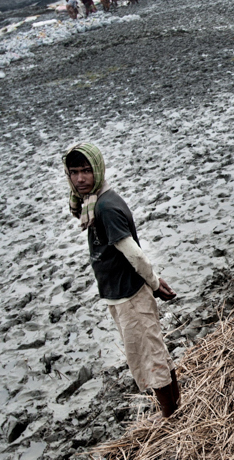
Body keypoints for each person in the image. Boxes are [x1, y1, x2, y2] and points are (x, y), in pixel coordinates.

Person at [62, 142, 182, 418]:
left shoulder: (106, 208)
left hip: (130, 294)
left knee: (150, 355)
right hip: (118, 292)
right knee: (151, 350)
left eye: (85, 171)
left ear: (98, 170)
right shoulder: (93, 204)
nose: (80, 179)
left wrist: (153, 282)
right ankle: (176, 410)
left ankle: (172, 416)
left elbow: (133, 253)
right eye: (74, 172)